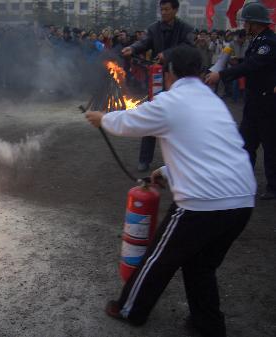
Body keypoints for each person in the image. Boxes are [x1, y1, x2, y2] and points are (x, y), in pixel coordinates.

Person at [86, 46, 256, 337]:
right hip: (241, 199)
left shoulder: (172, 100)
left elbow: (131, 122)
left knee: (158, 259)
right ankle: (208, 324)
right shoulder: (211, 100)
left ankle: (129, 309)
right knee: (201, 265)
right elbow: (208, 149)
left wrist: (103, 119)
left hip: (201, 203)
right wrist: (165, 172)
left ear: (171, 71)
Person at [206, 2, 276, 200]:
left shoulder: (267, 42)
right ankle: (243, 180)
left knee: (270, 146)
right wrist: (234, 64)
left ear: (255, 23)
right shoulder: (258, 40)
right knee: (246, 144)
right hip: (254, 102)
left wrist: (222, 75)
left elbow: (253, 66)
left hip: (267, 103)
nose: (244, 26)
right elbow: (248, 64)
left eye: (247, 22)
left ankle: (273, 187)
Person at [122, 0, 194, 172]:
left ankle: (180, 161)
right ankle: (144, 159)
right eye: (161, 9)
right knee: (152, 115)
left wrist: (167, 54)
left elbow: (188, 48)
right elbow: (144, 43)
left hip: (178, 80)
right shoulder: (154, 28)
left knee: (178, 118)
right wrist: (132, 48)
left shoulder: (186, 29)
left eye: (167, 9)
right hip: (156, 80)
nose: (164, 12)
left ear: (175, 10)